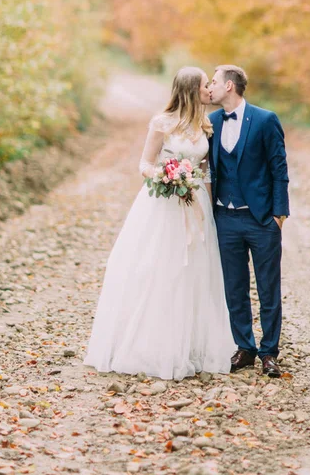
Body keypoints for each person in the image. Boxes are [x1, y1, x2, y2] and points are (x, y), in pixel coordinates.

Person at [84, 67, 235, 380]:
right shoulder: (162, 122)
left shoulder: (205, 125)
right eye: (205, 85)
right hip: (163, 204)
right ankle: (151, 346)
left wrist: (210, 204)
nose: (209, 89)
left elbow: (206, 170)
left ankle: (191, 345)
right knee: (160, 268)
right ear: (191, 89)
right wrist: (167, 176)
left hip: (197, 206)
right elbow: (144, 164)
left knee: (194, 271)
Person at [208, 65, 289, 378]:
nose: (209, 88)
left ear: (229, 86)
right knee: (235, 288)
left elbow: (279, 168)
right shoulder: (211, 122)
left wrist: (279, 215)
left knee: (268, 288)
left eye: (213, 82)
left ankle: (269, 352)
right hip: (224, 218)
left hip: (261, 219)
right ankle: (245, 347)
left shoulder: (266, 120)